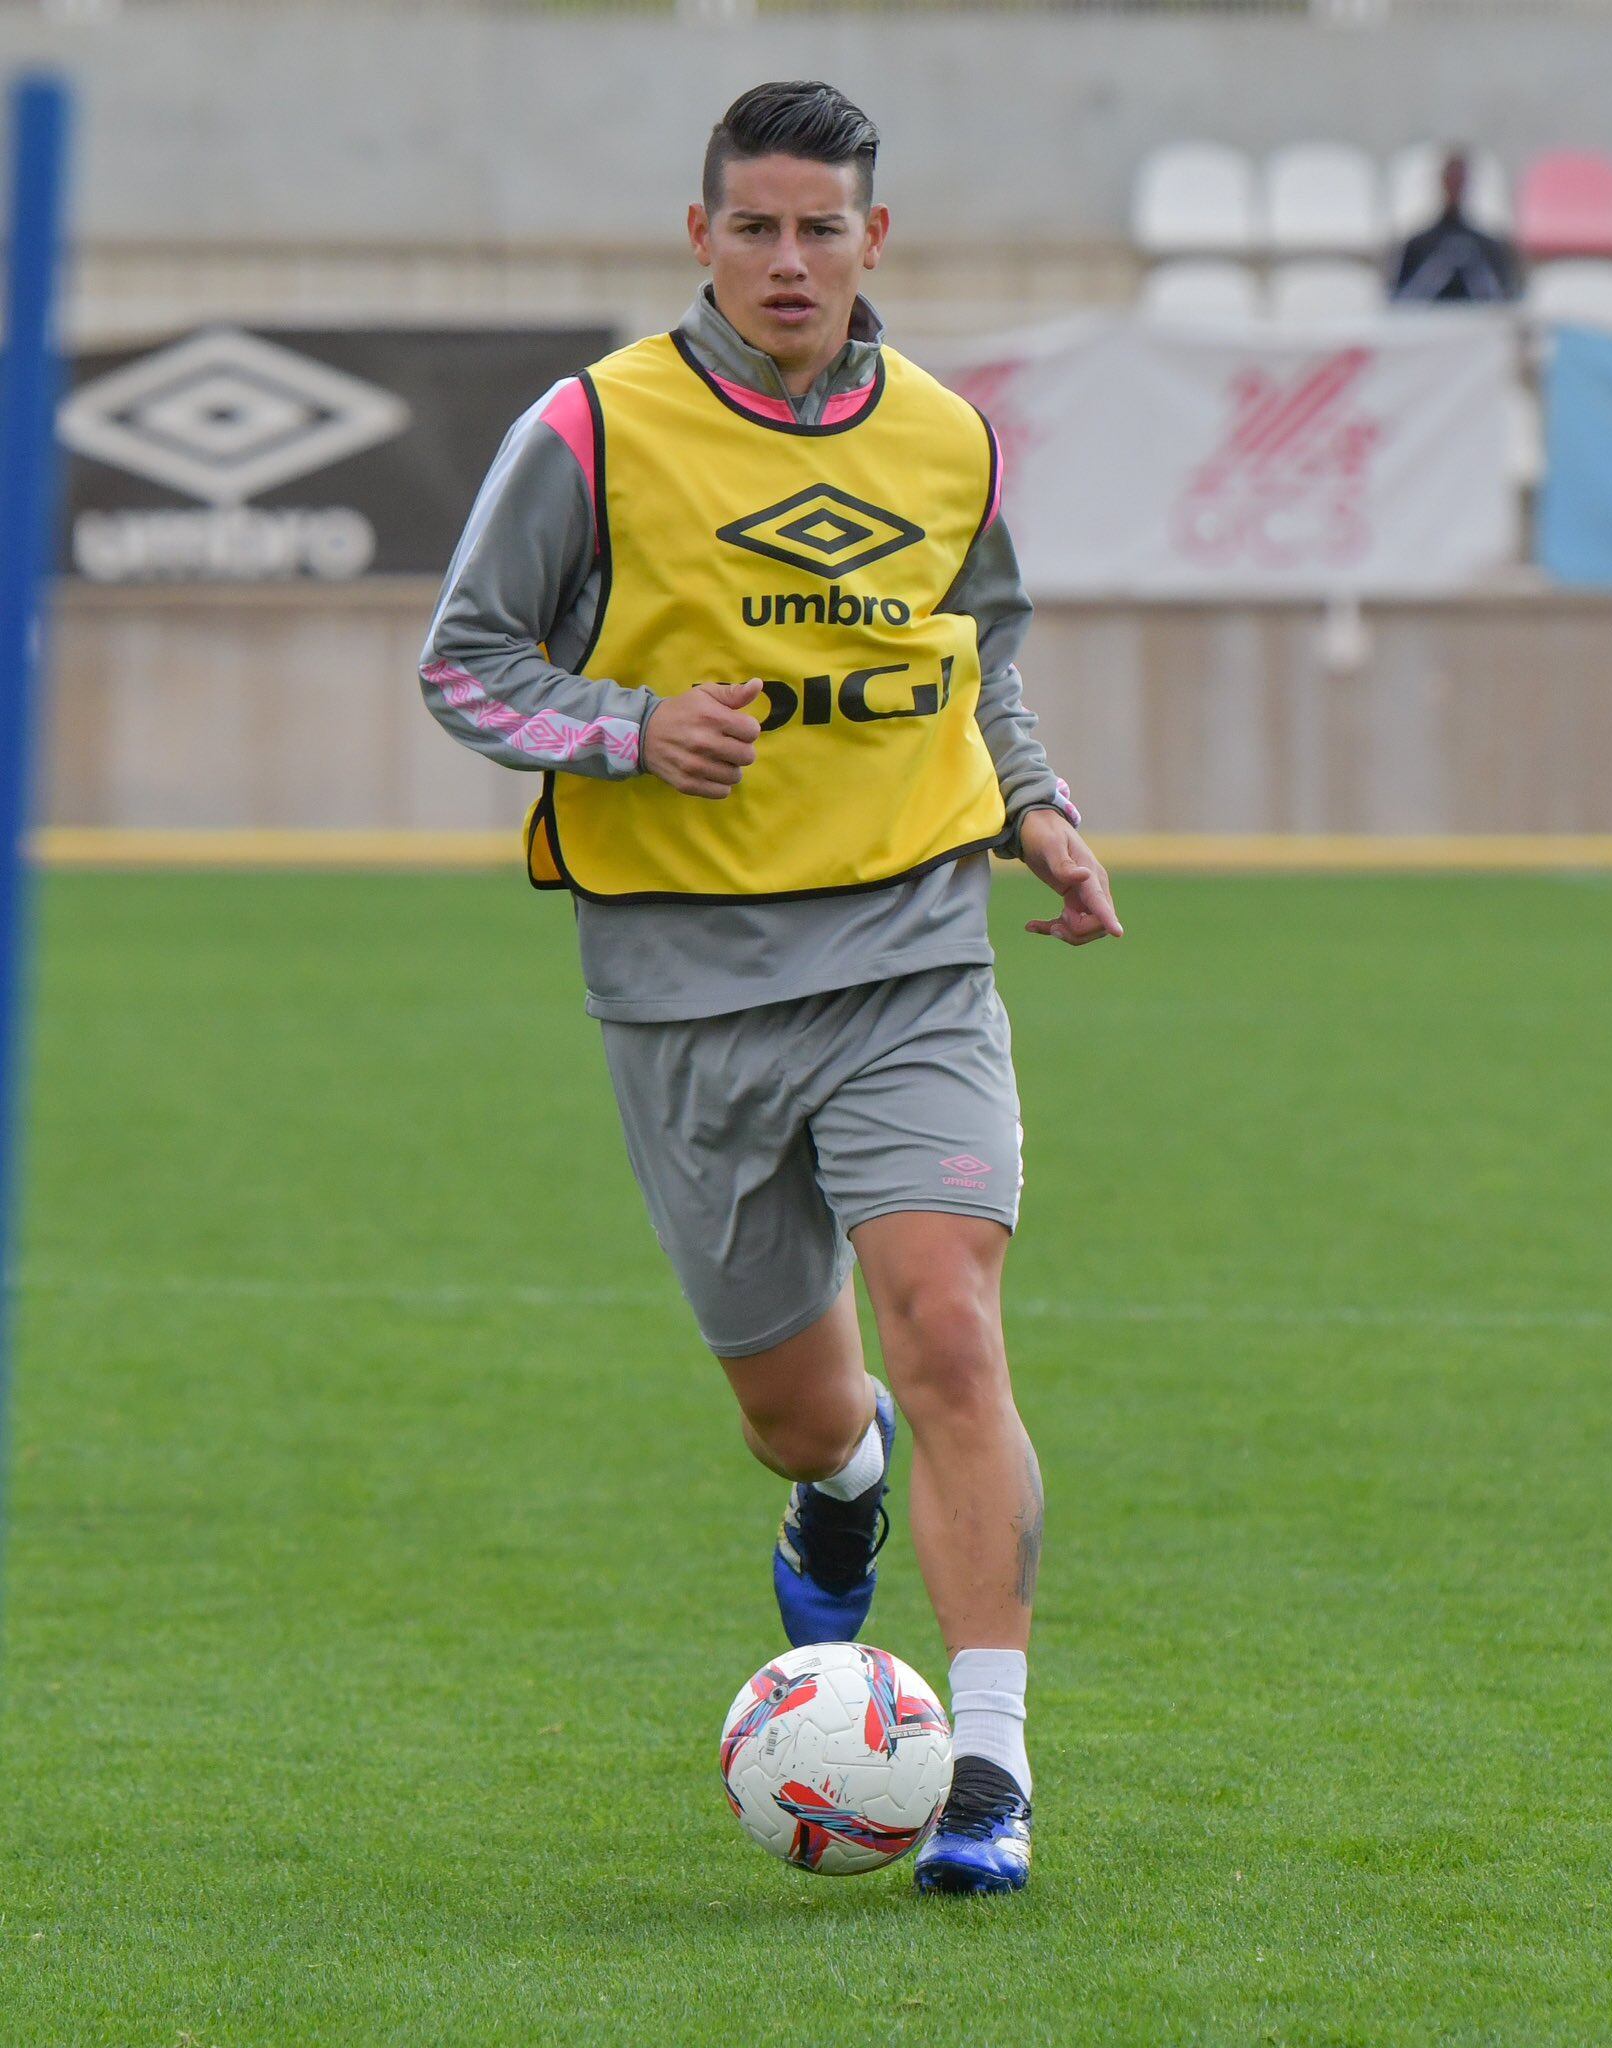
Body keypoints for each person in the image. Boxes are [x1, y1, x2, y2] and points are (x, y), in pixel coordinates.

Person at [420, 79, 1121, 1896]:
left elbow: (979, 654)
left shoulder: (945, 437)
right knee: (798, 1408)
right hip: (682, 985)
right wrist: (631, 727)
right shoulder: (592, 429)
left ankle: (986, 1772)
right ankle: (840, 1480)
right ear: (700, 236)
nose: (790, 259)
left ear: (873, 240)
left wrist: (1034, 805)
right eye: (757, 226)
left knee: (948, 1322)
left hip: (907, 946)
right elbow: (464, 669)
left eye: (824, 227)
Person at [1388, 149, 1522, 305]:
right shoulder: (1416, 246)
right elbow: (1401, 300)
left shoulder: (1491, 248)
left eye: (1459, 179)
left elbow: (1504, 300)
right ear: (1442, 181)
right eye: (1451, 178)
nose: (1455, 184)